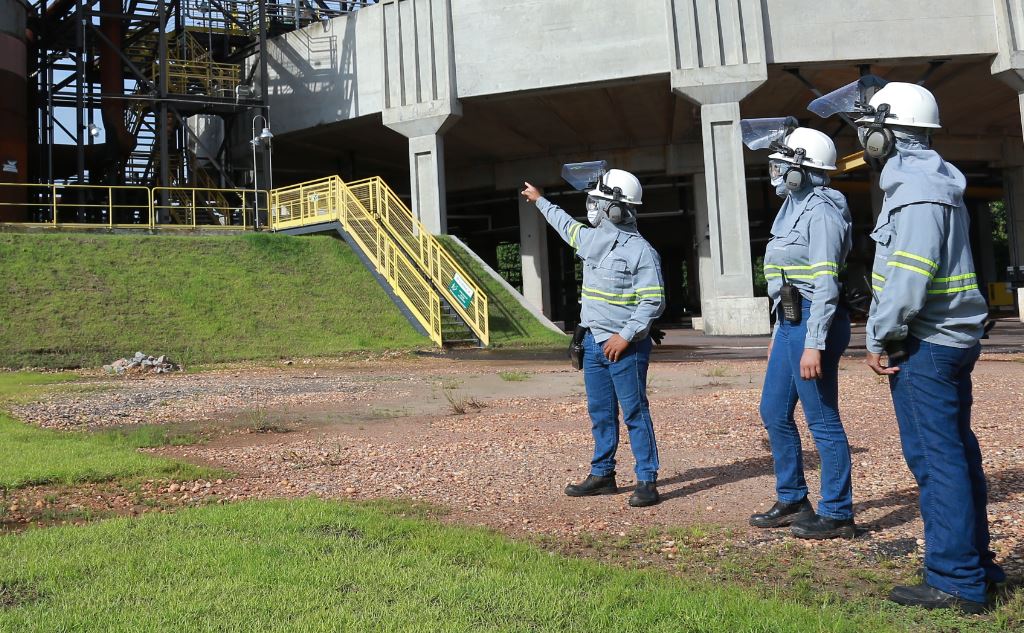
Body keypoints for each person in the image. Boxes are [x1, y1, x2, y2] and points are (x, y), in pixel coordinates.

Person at [834, 81, 1003, 613]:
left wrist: (879, 337)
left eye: (869, 129)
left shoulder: (914, 188)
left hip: (927, 342)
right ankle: (977, 565)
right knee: (956, 452)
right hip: (949, 338)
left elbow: (908, 277)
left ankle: (956, 580)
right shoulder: (931, 178)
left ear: (890, 132)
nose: (864, 139)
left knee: (936, 459)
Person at [520, 169, 665, 507]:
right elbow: (564, 226)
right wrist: (540, 200)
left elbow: (653, 301)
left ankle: (647, 480)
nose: (593, 208)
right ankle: (603, 475)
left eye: (599, 202)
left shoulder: (642, 252)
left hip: (624, 347)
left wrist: (625, 336)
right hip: (593, 343)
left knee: (634, 412)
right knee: (600, 412)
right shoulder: (593, 239)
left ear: (616, 209)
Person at [741, 123, 856, 539]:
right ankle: (792, 499)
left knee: (822, 420)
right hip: (790, 320)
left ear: (801, 169)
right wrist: (779, 334)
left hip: (813, 320)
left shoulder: (823, 211)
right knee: (773, 411)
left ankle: (838, 513)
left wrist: (813, 343)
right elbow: (783, 280)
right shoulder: (793, 206)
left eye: (782, 163)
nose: (774, 170)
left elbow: (826, 285)